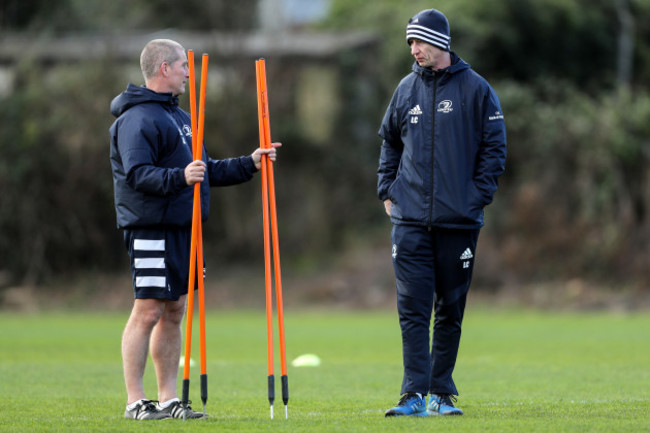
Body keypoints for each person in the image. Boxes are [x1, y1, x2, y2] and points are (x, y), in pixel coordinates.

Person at [109, 39, 281, 420]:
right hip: (151, 228)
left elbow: (206, 170)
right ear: (164, 69)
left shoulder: (182, 118)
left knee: (175, 310)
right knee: (148, 310)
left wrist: (250, 163)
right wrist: (180, 176)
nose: (190, 73)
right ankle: (136, 402)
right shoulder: (136, 119)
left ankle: (169, 400)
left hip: (185, 229)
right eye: (183, 66)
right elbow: (137, 175)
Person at [377, 9, 506, 417]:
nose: (414, 49)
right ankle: (413, 394)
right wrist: (386, 189)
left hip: (459, 221)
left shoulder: (477, 89)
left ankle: (441, 394)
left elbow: (495, 149)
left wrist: (477, 196)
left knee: (450, 310)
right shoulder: (405, 89)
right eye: (410, 43)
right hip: (410, 220)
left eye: (420, 42)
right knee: (412, 310)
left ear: (441, 43)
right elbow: (390, 143)